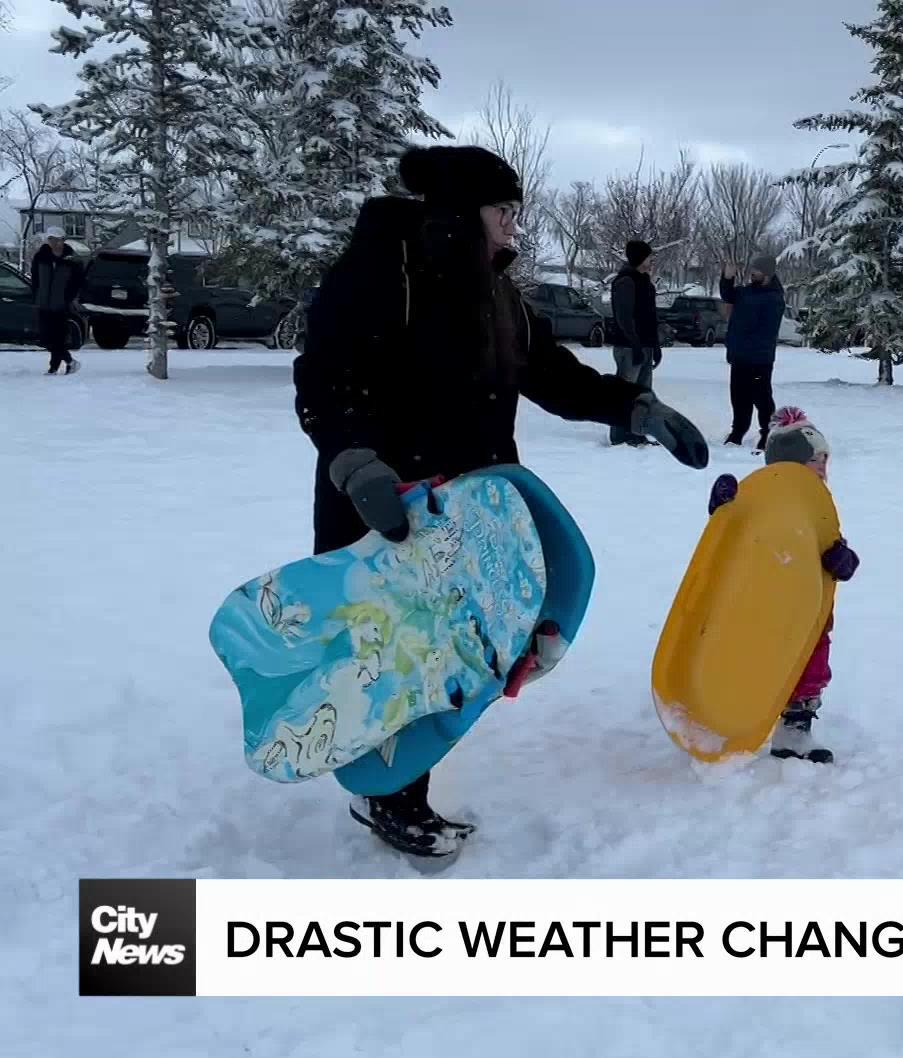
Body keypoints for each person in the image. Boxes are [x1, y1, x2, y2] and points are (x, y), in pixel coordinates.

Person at [292, 145, 709, 858]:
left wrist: (635, 407)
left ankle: (399, 783)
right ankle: (389, 796)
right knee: (398, 654)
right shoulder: (380, 274)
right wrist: (355, 461)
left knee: (451, 652)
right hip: (386, 507)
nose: (515, 227)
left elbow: (554, 375)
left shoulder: (499, 294)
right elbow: (325, 379)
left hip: (471, 510)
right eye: (504, 211)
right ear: (461, 214)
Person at [705, 406, 857, 763]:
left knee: (811, 666)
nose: (823, 466)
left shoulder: (819, 508)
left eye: (825, 459)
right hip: (757, 604)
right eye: (815, 460)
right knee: (753, 660)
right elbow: (728, 537)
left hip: (807, 609)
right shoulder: (760, 500)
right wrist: (723, 505)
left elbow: (833, 548)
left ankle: (793, 733)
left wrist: (842, 560)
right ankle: (726, 718)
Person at [719, 254, 785, 449]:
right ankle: (738, 431)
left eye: (755, 272)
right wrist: (727, 277)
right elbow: (728, 295)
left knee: (762, 398)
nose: (751, 274)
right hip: (740, 356)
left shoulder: (774, 298)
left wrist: (742, 329)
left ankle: (767, 433)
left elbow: (765, 328)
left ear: (766, 274)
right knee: (738, 397)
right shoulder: (747, 292)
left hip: (759, 358)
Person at [607, 238, 663, 446]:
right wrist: (636, 344)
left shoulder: (645, 283)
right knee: (624, 392)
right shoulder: (625, 282)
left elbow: (650, 316)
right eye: (649, 257)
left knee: (642, 394)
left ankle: (637, 431)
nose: (651, 261)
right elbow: (624, 317)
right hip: (629, 347)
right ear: (640, 258)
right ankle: (619, 434)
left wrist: (654, 346)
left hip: (645, 346)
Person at [29, 227, 86, 375]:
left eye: (58, 240)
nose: (55, 243)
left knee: (58, 337)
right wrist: (37, 295)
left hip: (61, 305)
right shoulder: (40, 257)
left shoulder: (71, 259)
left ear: (63, 240)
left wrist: (68, 297)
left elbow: (77, 282)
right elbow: (35, 279)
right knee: (47, 338)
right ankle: (69, 361)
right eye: (52, 240)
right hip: (44, 303)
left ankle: (54, 367)